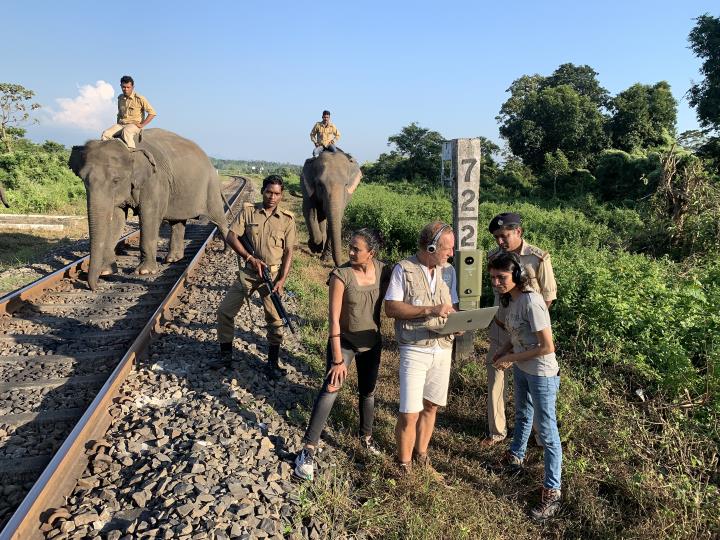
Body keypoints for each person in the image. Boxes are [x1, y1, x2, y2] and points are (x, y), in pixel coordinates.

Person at [294, 229, 391, 481]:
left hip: (372, 342)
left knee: (368, 391)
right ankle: (308, 448)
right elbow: (333, 320)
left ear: (371, 253)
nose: (350, 252)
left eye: (356, 249)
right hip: (344, 343)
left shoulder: (384, 270)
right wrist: (338, 359)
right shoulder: (341, 275)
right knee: (331, 388)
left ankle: (366, 438)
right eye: (349, 247)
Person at [488, 252, 562, 521]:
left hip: (541, 373)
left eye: (502, 277)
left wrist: (510, 358)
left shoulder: (532, 302)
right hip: (522, 368)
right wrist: (504, 351)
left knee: (547, 430)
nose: (496, 282)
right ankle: (515, 457)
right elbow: (515, 334)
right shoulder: (511, 300)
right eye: (493, 278)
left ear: (517, 275)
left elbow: (546, 346)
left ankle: (553, 490)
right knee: (522, 415)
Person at [384, 221, 459, 478]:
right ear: (431, 247)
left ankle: (421, 455)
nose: (451, 254)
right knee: (409, 411)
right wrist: (428, 310)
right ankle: (403, 464)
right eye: (447, 249)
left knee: (431, 406)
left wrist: (458, 323)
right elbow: (391, 308)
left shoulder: (448, 272)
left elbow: (453, 307)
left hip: (443, 348)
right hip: (414, 348)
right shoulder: (403, 270)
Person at [482, 212, 557, 447]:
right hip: (501, 328)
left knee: (532, 382)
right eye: (496, 238)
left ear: (518, 232)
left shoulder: (537, 258)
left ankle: (538, 433)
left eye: (504, 236)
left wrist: (527, 323)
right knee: (496, 377)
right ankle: (497, 431)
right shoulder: (494, 257)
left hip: (528, 333)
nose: (500, 242)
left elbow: (548, 296)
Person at [214, 175, 296, 377]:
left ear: (281, 195)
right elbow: (232, 236)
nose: (272, 197)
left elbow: (288, 253)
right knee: (225, 311)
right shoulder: (249, 212)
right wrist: (250, 258)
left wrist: (282, 280)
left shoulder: (287, 220)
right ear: (263, 191)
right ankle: (226, 356)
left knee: (275, 319)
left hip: (272, 275)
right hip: (249, 273)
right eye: (269, 192)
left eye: (277, 193)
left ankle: (273, 363)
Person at [101, 75, 156, 149]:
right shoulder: (120, 98)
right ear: (121, 86)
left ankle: (131, 152)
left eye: (128, 87)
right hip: (121, 124)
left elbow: (152, 113)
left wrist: (142, 125)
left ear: (132, 87)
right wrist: (117, 125)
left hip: (134, 125)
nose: (125, 89)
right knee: (106, 134)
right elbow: (119, 114)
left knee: (126, 132)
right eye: (124, 87)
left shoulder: (140, 98)